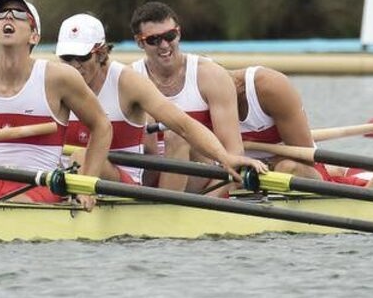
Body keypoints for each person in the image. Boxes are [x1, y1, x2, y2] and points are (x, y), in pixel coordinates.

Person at [55, 14, 267, 185]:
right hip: (71, 180)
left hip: (122, 184)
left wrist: (224, 157)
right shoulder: (55, 81)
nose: (74, 66)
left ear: (101, 53)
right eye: (67, 58)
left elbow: (183, 125)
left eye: (82, 57)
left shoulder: (127, 82)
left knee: (80, 157)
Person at [0, 0, 112, 209]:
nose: (8, 17)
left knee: (14, 207)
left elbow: (102, 125)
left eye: (19, 14)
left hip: (38, 183)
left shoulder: (58, 77)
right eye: (2, 14)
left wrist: (87, 185)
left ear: (34, 37)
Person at [128, 1, 246, 194]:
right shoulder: (129, 79)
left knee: (177, 136)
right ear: (140, 42)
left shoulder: (211, 75)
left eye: (170, 36)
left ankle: (166, 207)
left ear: (179, 33)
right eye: (154, 40)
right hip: (149, 173)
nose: (164, 45)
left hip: (200, 177)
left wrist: (211, 198)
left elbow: (234, 152)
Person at [228, 66, 324, 180]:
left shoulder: (270, 85)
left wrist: (262, 165)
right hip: (242, 174)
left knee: (286, 167)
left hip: (294, 170)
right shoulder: (209, 98)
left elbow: (306, 159)